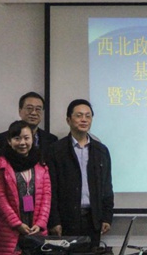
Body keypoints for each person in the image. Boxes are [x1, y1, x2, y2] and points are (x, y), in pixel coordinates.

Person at [48, 99, 114, 249]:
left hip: (93, 220)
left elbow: (107, 187)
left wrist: (107, 217)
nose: (84, 119)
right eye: (79, 115)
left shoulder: (101, 150)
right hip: (66, 220)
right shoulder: (56, 150)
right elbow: (51, 189)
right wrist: (54, 220)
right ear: (68, 120)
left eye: (88, 116)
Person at [0, 120, 51, 255]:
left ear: (32, 139)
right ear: (9, 141)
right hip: (9, 230)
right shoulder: (1, 164)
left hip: (36, 229)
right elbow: (0, 197)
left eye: (26, 138)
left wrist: (41, 223)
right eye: (17, 138)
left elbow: (46, 196)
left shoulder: (41, 163)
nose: (22, 143)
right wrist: (17, 224)